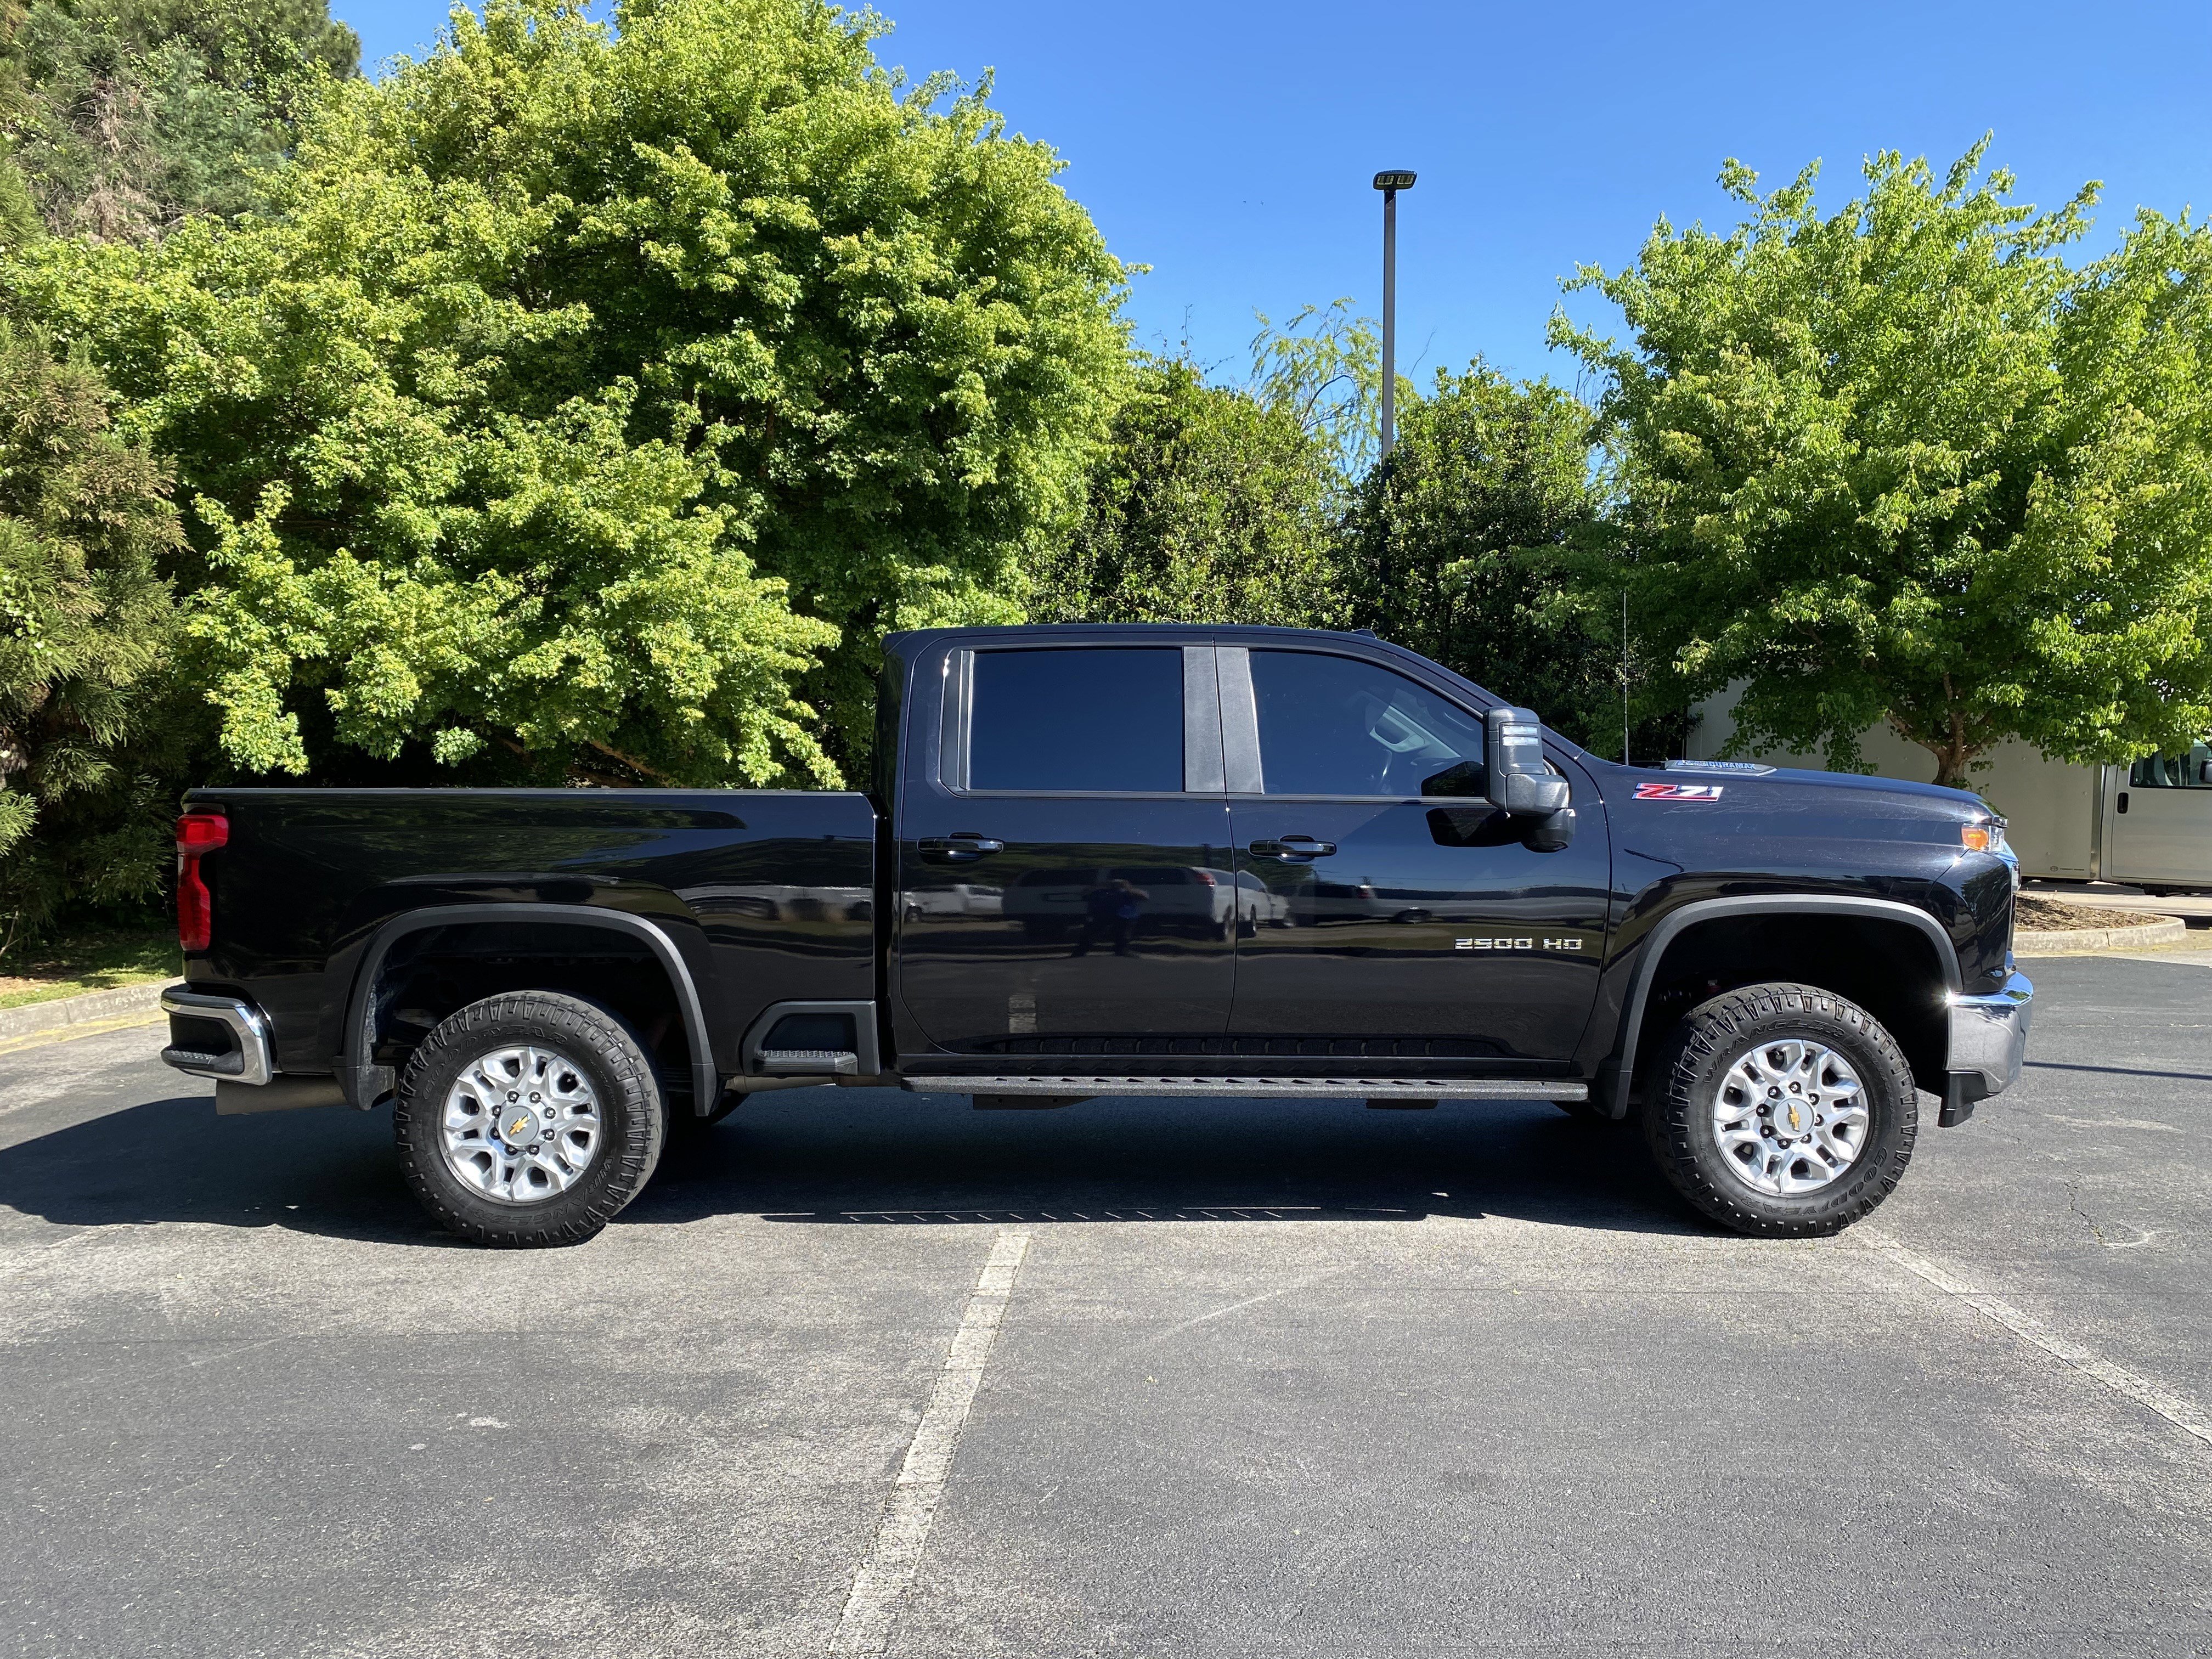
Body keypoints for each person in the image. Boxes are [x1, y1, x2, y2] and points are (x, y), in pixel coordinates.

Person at [1073, 875, 1148, 957]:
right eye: (1114, 884)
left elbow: (1144, 897)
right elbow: (1084, 894)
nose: (1116, 886)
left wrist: (1128, 888)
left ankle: (1121, 950)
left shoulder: (1127, 893)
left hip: (1121, 917)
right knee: (1091, 934)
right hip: (1103, 916)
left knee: (1122, 935)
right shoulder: (1101, 892)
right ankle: (1080, 951)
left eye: (1119, 884)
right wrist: (1099, 886)